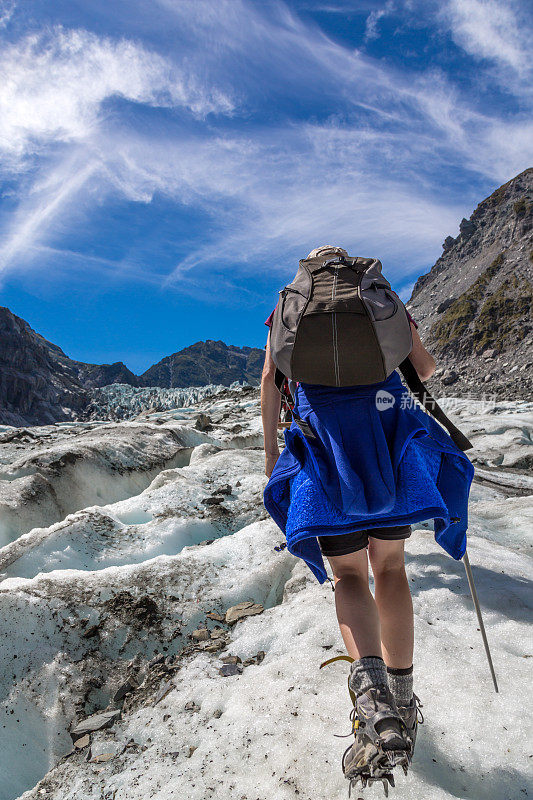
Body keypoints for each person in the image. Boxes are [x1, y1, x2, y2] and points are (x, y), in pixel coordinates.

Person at [261, 245, 474, 793]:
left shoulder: (288, 305)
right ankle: (401, 706)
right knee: (392, 569)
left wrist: (272, 462)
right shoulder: (383, 301)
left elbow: (270, 384)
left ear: (306, 272)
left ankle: (372, 705)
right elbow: (425, 369)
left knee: (349, 576)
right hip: (386, 435)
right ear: (354, 269)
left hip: (324, 442)